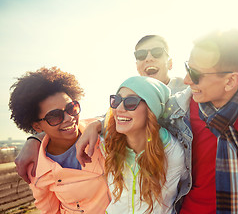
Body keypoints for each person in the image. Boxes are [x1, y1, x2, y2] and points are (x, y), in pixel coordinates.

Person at [76, 29, 238, 213]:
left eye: (196, 74)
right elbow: (136, 113)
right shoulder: (176, 110)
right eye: (188, 68)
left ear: (231, 80)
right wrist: (96, 124)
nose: (187, 80)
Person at [14, 34, 188, 184]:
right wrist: (35, 139)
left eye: (157, 52)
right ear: (137, 66)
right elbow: (79, 122)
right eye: (141, 55)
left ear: (170, 63)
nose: (148, 58)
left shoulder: (189, 93)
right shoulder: (126, 102)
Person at [8, 67, 111, 213]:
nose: (69, 118)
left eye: (71, 108)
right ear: (37, 126)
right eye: (55, 116)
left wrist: (98, 125)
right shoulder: (37, 168)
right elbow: (50, 210)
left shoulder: (99, 130)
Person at [101, 76, 185, 213]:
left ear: (151, 110)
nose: (119, 108)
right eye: (116, 100)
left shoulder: (173, 152)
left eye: (131, 102)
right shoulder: (107, 146)